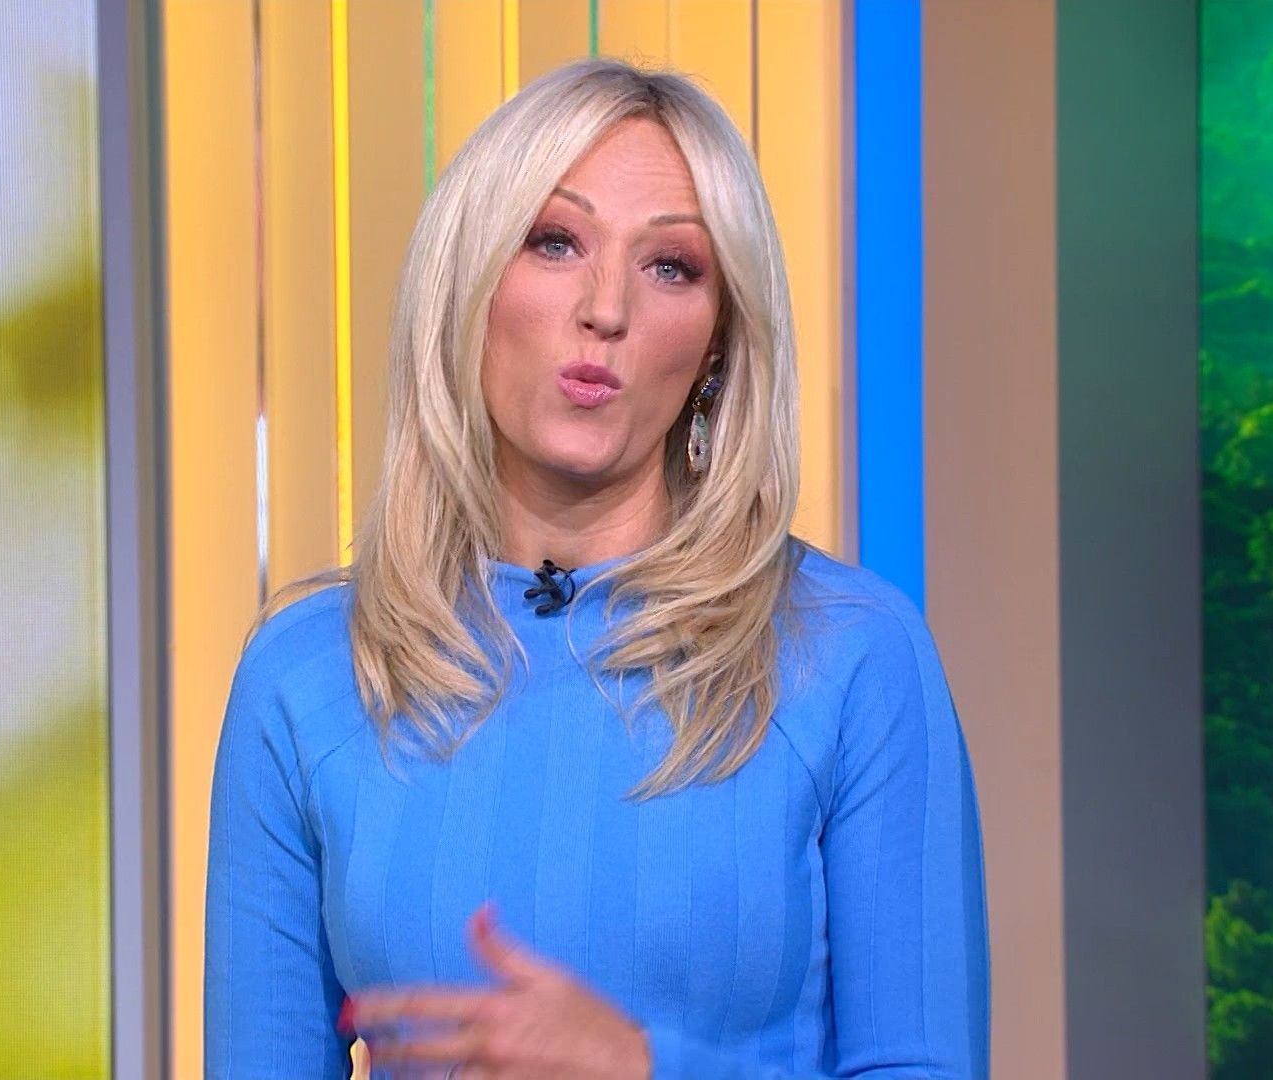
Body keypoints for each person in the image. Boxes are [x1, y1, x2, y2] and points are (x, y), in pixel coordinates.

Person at [205, 57, 989, 1079]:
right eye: (555, 241)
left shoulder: (850, 655)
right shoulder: (307, 674)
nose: (605, 307)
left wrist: (643, 1069)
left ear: (717, 343)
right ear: (468, 285)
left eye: (671, 266)